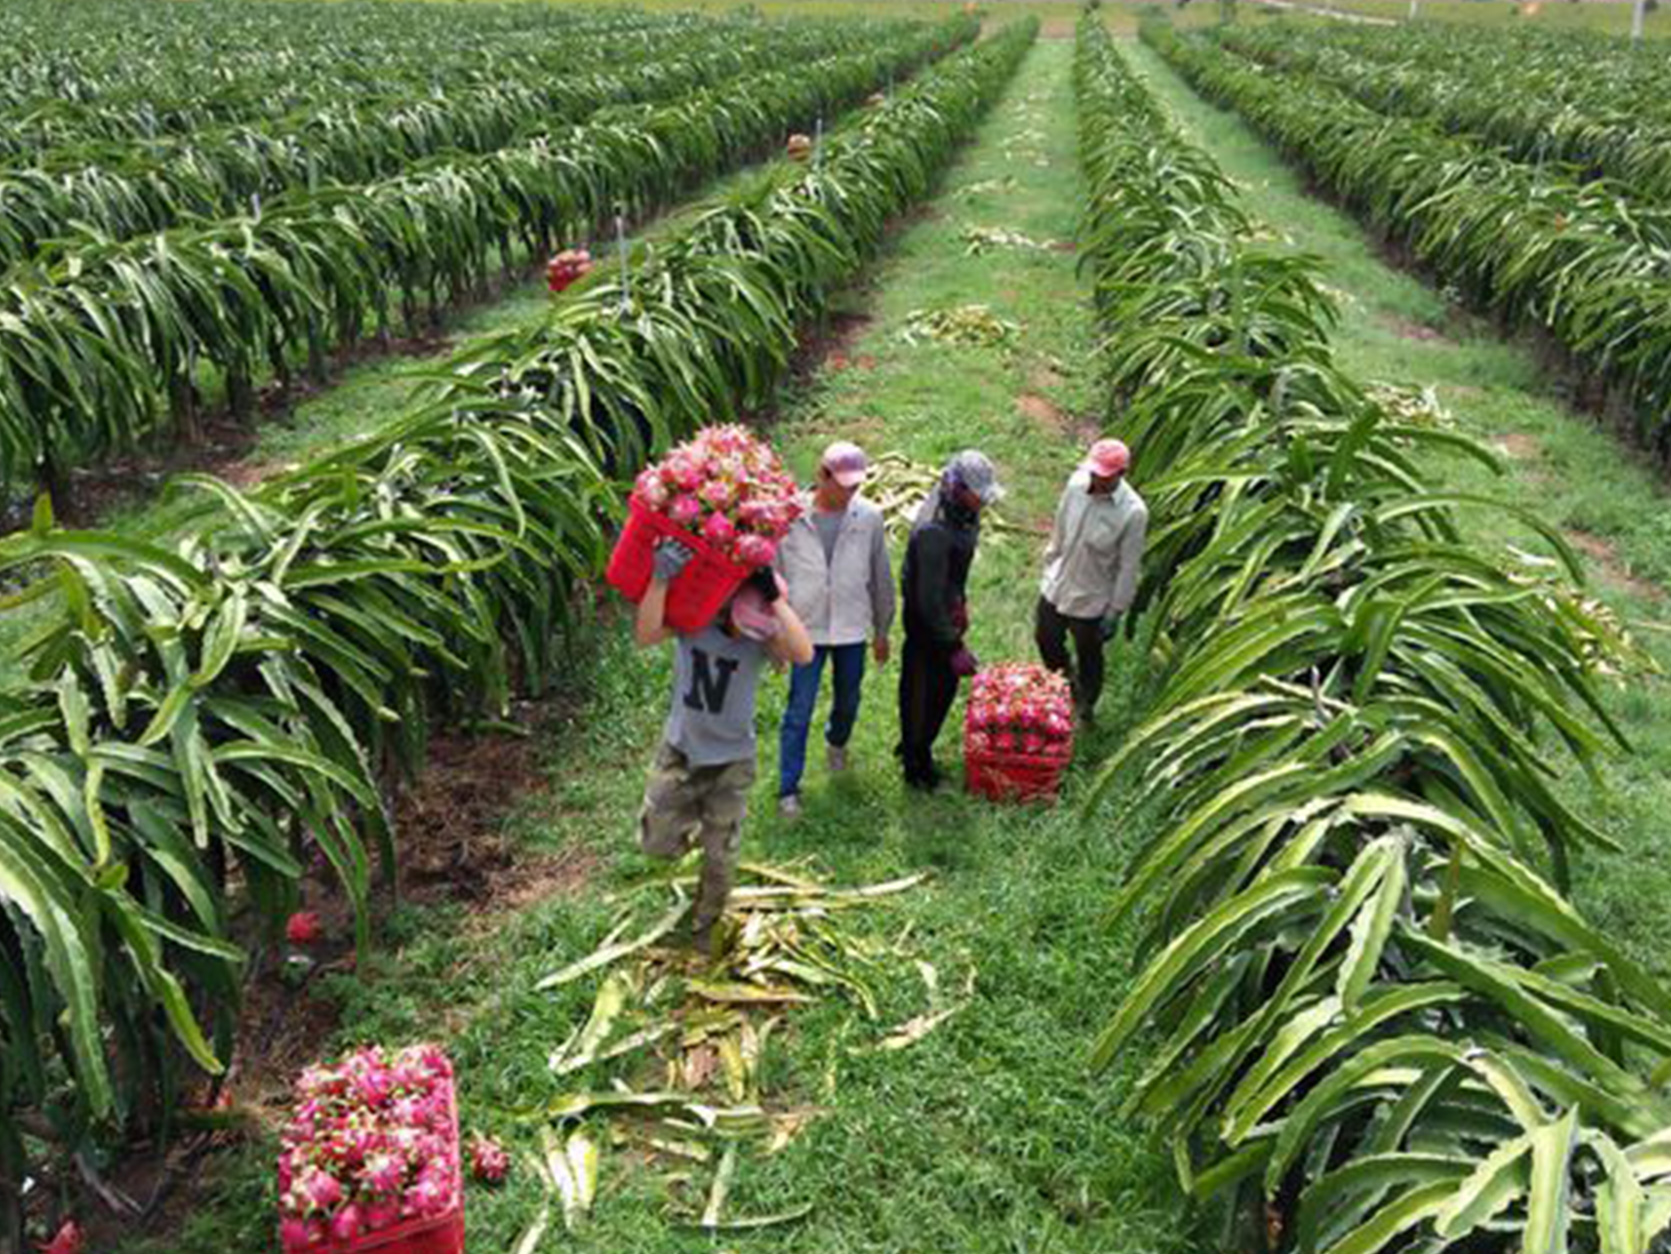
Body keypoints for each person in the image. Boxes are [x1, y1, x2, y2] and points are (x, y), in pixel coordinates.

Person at [635, 540, 814, 953]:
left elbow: (803, 653)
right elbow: (645, 634)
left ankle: (704, 929)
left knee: (720, 861)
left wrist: (773, 597)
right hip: (680, 752)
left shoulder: (760, 642)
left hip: (731, 763)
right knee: (656, 843)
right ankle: (694, 831)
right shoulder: (692, 622)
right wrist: (661, 578)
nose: (745, 634)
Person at [773, 441, 896, 818]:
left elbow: (880, 577)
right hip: (804, 628)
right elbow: (773, 578)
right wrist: (775, 636)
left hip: (850, 628)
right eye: (844, 485)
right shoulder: (789, 516)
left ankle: (836, 741)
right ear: (822, 476)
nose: (851, 493)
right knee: (799, 709)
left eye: (856, 486)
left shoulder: (869, 518)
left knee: (849, 699)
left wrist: (882, 629)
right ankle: (788, 788)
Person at [897, 450, 1003, 790]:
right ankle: (916, 764)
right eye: (978, 494)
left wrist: (960, 600)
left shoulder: (961, 509)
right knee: (927, 688)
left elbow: (948, 577)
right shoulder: (934, 531)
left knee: (937, 685)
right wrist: (952, 644)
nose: (982, 502)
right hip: (928, 621)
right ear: (958, 487)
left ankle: (914, 742)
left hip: (945, 605)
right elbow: (927, 599)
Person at [1035, 437, 1148, 727]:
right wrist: (1050, 558)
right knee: (1046, 637)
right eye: (1094, 473)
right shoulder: (1076, 486)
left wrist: (1115, 610)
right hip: (1059, 581)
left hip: (1092, 596)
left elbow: (1128, 566)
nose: (1096, 480)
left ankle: (1085, 706)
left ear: (1121, 474)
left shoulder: (1133, 513)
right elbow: (1060, 525)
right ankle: (1066, 686)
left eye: (1104, 476)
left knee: (1089, 655)